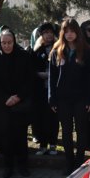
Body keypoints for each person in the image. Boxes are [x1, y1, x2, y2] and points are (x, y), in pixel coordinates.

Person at [49, 19, 90, 174]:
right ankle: (69, 163)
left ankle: (79, 161)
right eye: (66, 31)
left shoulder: (86, 51)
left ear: (77, 32)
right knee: (67, 131)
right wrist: (52, 98)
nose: (69, 34)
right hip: (63, 99)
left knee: (81, 130)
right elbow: (52, 77)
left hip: (81, 98)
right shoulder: (57, 51)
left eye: (72, 31)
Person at [0, 30, 32, 178]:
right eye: (4, 43)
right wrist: (5, 98)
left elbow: (29, 80)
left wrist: (18, 97)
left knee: (21, 136)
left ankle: (23, 166)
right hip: (3, 104)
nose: (7, 46)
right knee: (6, 136)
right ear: (0, 43)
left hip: (20, 102)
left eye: (9, 42)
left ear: (14, 42)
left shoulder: (24, 57)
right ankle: (8, 166)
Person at [31, 22, 59, 156]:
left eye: (50, 33)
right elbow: (31, 68)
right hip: (40, 90)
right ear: (41, 35)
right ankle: (42, 145)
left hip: (54, 89)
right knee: (41, 117)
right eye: (45, 33)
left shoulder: (59, 48)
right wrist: (38, 74)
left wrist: (51, 75)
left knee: (53, 118)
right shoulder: (37, 50)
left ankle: (53, 144)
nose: (48, 35)